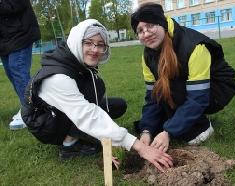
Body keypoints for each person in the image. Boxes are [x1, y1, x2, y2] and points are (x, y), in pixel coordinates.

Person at [21, 19, 173, 172]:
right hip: (44, 123)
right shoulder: (58, 78)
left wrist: (108, 140)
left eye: (100, 44)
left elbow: (91, 103)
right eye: (88, 43)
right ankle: (69, 146)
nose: (95, 50)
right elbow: (88, 116)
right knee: (90, 118)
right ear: (77, 42)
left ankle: (84, 136)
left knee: (117, 105)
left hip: (66, 110)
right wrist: (140, 147)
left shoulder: (76, 61)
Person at [131, 3, 235, 152]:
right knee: (161, 90)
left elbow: (198, 97)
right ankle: (174, 122)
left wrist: (168, 132)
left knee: (172, 87)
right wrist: (146, 130)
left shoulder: (194, 46)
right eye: (140, 30)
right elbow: (152, 97)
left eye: (150, 25)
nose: (146, 33)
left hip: (216, 88)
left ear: (162, 23)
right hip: (187, 87)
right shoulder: (147, 55)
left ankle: (202, 128)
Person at [0, 0, 41, 130]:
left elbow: (15, 6)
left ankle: (31, 112)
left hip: (20, 34)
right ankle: (29, 105)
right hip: (4, 39)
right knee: (11, 72)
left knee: (17, 69)